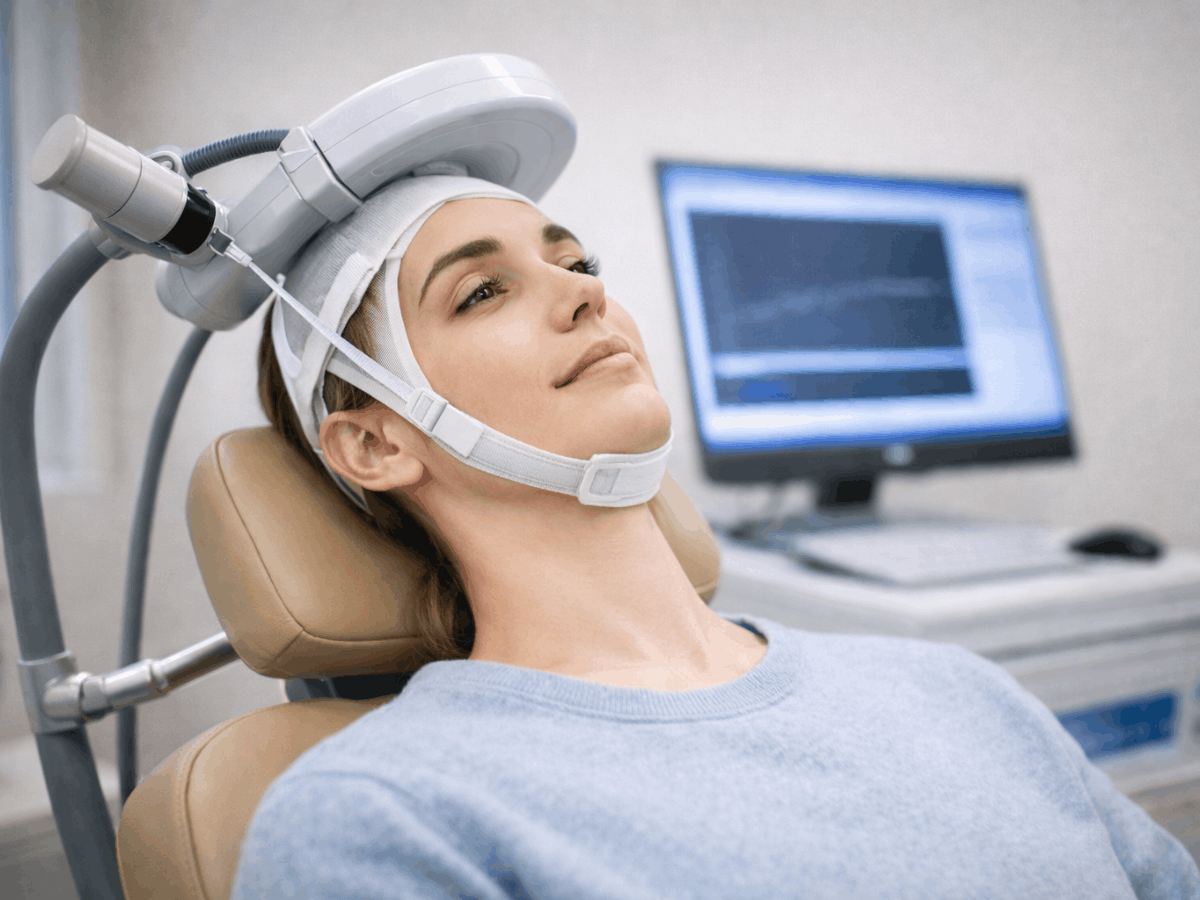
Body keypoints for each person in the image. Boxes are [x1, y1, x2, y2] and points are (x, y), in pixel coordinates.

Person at [232, 173, 1199, 899]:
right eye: (482, 292)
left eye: (575, 263)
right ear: (373, 443)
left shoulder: (959, 688)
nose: (584, 295)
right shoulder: (378, 815)